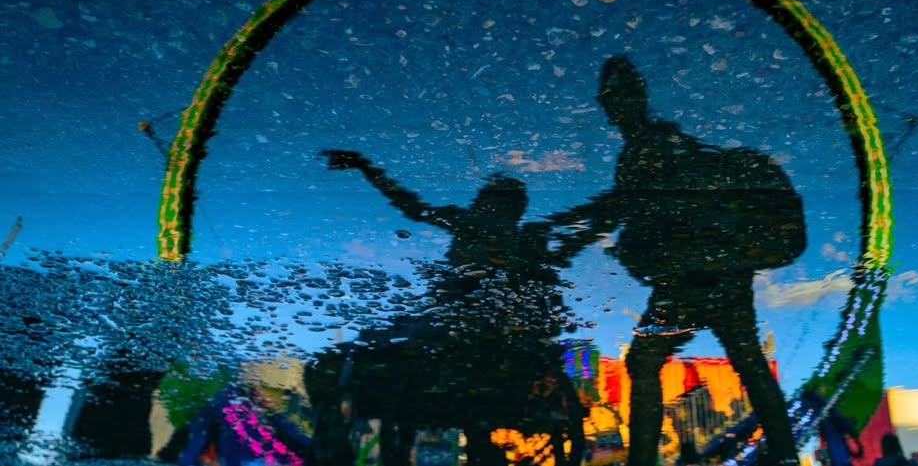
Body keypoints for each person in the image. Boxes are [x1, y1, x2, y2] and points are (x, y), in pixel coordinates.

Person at [540, 55, 807, 466]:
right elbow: (621, 207)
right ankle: (786, 456)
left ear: (634, 97)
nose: (610, 106)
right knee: (746, 361)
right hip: (713, 272)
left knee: (651, 362)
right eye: (607, 98)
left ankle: (644, 461)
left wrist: (565, 243)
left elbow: (621, 207)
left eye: (614, 96)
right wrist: (565, 234)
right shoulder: (656, 144)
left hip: (693, 275)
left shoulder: (649, 144)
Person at [307, 150, 583, 466]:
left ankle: (343, 439)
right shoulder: (515, 237)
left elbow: (411, 206)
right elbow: (411, 206)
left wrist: (367, 169)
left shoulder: (510, 237)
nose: (491, 210)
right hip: (464, 327)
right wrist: (367, 169)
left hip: (469, 329)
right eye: (491, 202)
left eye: (498, 202)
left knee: (355, 355)